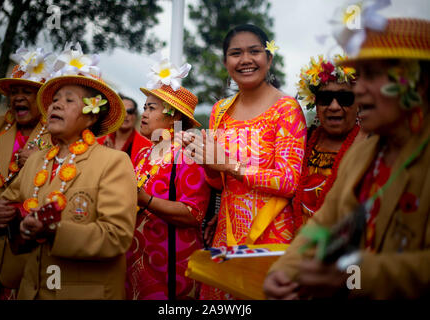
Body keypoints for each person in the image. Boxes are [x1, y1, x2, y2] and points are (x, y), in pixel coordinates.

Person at [264, 17, 430, 299]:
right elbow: (324, 224)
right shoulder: (366, 152)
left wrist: (353, 273)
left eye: (373, 75)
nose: (360, 88)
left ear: (419, 83)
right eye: (360, 75)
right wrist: (284, 272)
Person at [0, 44, 137, 299]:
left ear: (90, 117)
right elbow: (7, 206)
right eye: (54, 100)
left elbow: (117, 236)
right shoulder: (36, 162)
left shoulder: (114, 163)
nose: (56, 105)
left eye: (68, 100)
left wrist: (55, 231)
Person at [180, 24, 307, 300]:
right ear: (226, 62)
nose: (246, 60)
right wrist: (204, 160)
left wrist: (230, 165)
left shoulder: (286, 110)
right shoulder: (220, 111)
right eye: (236, 53)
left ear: (268, 59)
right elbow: (217, 183)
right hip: (227, 235)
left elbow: (288, 181)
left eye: (255, 51)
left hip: (271, 236)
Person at [125, 58, 210, 300]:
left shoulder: (188, 153)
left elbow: (195, 214)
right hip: (135, 260)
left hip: (171, 264)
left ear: (174, 118)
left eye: (152, 108)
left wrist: (146, 200)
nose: (144, 113)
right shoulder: (142, 153)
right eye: (145, 106)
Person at [0, 47, 52, 300]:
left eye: (27, 92)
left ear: (44, 99)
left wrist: (40, 163)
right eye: (14, 92)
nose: (18, 98)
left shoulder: (59, 137)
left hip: (26, 264)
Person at [292, 54, 367, 231]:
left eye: (345, 99)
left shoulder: (372, 146)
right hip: (298, 248)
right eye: (325, 98)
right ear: (315, 104)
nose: (334, 106)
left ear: (359, 104)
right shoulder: (302, 141)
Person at [97, 95, 152, 166]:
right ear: (115, 114)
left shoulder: (146, 148)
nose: (126, 115)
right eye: (122, 110)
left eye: (130, 111)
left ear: (136, 116)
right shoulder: (98, 142)